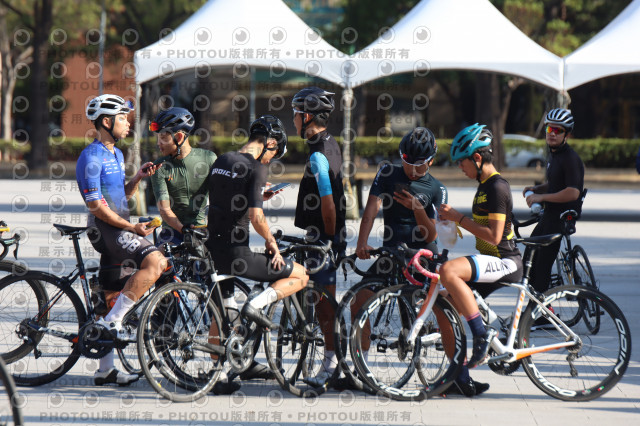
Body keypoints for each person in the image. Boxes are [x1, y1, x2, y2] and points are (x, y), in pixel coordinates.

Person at [355, 127, 490, 396]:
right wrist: (362, 242)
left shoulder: (437, 189)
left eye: (418, 165)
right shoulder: (387, 173)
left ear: (430, 161)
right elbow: (371, 208)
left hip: (423, 255)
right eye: (406, 161)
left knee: (443, 312)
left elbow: (431, 235)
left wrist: (417, 209)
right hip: (393, 252)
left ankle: (460, 376)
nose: (411, 170)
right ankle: (362, 369)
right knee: (360, 299)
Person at [205, 115, 307, 394]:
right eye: (275, 153)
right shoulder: (257, 168)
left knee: (223, 310)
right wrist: (271, 242)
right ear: (270, 143)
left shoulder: (222, 160)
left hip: (214, 250)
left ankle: (219, 376)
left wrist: (256, 195)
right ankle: (257, 305)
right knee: (301, 275)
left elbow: (223, 199)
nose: (271, 160)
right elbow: (256, 216)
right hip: (238, 254)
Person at [76, 94, 167, 386]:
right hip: (105, 230)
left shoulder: (115, 153)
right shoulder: (91, 157)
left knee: (112, 293)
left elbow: (119, 196)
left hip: (117, 228)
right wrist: (131, 227)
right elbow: (96, 206)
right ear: (106, 121)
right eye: (123, 119)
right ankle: (113, 322)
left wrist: (137, 178)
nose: (128, 123)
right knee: (156, 262)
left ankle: (105, 369)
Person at [437, 123, 523, 395]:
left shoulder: (497, 187)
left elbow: (495, 237)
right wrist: (453, 222)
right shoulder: (484, 186)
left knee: (449, 271)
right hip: (490, 260)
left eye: (461, 162)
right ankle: (459, 378)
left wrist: (459, 218)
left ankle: (480, 334)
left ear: (476, 157)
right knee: (444, 308)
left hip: (505, 261)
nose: (459, 168)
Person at [291, 87, 346, 386]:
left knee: (324, 304)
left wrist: (329, 240)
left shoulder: (318, 155)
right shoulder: (329, 143)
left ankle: (331, 364)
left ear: (308, 116)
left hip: (323, 238)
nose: (293, 120)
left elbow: (328, 203)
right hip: (324, 235)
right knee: (323, 301)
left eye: (296, 114)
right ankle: (333, 361)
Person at [523, 108, 585, 294]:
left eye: (558, 131)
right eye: (549, 129)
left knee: (541, 268)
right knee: (529, 259)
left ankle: (542, 309)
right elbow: (556, 183)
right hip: (549, 215)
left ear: (567, 134)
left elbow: (573, 192)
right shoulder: (555, 155)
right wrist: (537, 189)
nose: (552, 134)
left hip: (561, 218)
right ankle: (538, 303)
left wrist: (541, 197)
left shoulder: (570, 158)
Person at [149, 107, 216, 245]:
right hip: (172, 232)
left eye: (163, 137)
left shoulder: (209, 158)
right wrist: (183, 229)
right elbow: (165, 210)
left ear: (179, 137)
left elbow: (221, 197)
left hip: (201, 230)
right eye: (158, 138)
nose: (158, 143)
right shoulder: (160, 167)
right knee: (158, 258)